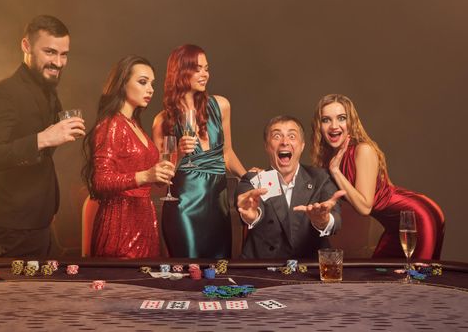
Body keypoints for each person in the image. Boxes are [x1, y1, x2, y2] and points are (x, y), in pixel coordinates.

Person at [0, 15, 85, 257]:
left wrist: (55, 137)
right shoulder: (4, 92)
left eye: (64, 54)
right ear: (26, 46)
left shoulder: (47, 88)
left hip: (39, 215)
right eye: (50, 52)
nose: (59, 62)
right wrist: (43, 138)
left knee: (41, 289)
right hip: (17, 220)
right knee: (23, 292)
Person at [311, 94, 445, 259]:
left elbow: (365, 207)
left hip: (414, 219)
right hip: (392, 226)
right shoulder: (330, 158)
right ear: (319, 126)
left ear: (350, 122)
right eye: (326, 120)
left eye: (341, 118)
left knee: (416, 279)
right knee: (384, 277)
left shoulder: (363, 150)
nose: (334, 126)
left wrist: (336, 171)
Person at [152, 44, 246, 258]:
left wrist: (249, 177)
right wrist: (179, 153)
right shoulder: (163, 121)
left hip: (219, 204)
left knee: (219, 271)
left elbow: (227, 154)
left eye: (207, 68)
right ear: (181, 72)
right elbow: (160, 180)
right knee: (189, 272)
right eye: (198, 69)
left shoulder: (221, 105)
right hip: (184, 204)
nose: (205, 74)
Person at [82, 56, 175, 258]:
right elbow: (100, 181)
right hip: (120, 224)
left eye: (152, 83)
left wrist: (158, 175)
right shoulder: (111, 124)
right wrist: (145, 176)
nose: (150, 89)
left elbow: (148, 179)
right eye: (143, 82)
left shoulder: (134, 124)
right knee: (123, 287)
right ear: (122, 84)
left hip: (144, 221)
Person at [236, 115, 345, 259]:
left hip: (311, 269)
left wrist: (323, 220)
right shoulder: (252, 180)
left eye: (292, 136)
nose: (285, 142)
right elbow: (252, 211)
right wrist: (252, 216)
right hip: (261, 268)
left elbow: (336, 221)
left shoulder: (321, 178)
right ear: (267, 146)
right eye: (277, 136)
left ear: (302, 145)